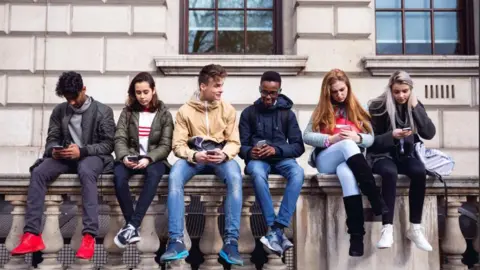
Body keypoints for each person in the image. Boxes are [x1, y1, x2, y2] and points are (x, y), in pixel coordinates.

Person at [11, 71, 115, 259]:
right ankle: (32, 234)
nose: (72, 102)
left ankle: (89, 236)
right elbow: (52, 139)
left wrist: (82, 151)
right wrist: (54, 151)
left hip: (91, 157)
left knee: (85, 170)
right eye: (68, 98)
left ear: (84, 89)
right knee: (39, 171)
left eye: (74, 97)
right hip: (65, 158)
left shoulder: (103, 111)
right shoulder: (60, 111)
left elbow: (108, 145)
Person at [159, 64, 243, 266]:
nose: (221, 90)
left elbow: (234, 142)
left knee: (235, 177)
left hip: (220, 157)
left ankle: (231, 242)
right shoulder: (185, 111)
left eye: (222, 85)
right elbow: (177, 145)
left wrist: (223, 153)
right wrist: (195, 155)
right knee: (175, 176)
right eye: (217, 86)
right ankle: (176, 240)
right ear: (203, 86)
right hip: (194, 158)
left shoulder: (228, 109)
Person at [303, 68, 388, 257]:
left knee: (347, 174)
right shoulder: (322, 110)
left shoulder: (356, 109)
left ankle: (356, 237)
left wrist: (357, 137)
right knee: (347, 145)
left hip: (347, 161)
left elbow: (371, 139)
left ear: (348, 87)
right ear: (328, 92)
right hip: (326, 159)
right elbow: (306, 136)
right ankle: (375, 197)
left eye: (342, 90)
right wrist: (331, 139)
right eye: (335, 91)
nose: (339, 94)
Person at [238, 71, 304, 257]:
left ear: (279, 91)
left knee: (298, 172)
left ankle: (278, 227)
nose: (268, 97)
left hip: (282, 159)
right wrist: (251, 152)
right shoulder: (248, 113)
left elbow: (298, 147)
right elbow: (240, 145)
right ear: (260, 89)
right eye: (264, 92)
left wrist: (277, 150)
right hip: (258, 161)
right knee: (257, 175)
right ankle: (273, 227)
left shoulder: (287, 114)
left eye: (272, 93)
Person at [368, 70, 436, 251]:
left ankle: (415, 228)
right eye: (397, 91)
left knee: (419, 172)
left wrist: (415, 107)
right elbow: (371, 142)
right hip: (382, 155)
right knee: (389, 173)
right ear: (391, 89)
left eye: (405, 91)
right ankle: (387, 228)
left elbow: (429, 133)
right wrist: (392, 136)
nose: (401, 95)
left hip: (406, 155)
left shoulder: (414, 105)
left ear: (411, 90)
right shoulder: (378, 107)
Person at [112, 72, 174, 248]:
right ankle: (132, 226)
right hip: (131, 157)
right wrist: (124, 157)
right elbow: (119, 138)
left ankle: (132, 225)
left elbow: (166, 144)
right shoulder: (128, 113)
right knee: (118, 175)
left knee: (154, 175)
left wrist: (148, 158)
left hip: (154, 160)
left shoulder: (164, 114)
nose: (142, 96)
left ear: (153, 90)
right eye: (138, 92)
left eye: (145, 92)